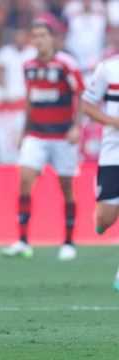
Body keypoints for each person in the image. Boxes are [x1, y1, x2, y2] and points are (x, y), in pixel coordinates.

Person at [2, 20, 84, 261]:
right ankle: (23, 240)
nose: (38, 40)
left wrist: (76, 127)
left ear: (53, 39)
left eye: (42, 35)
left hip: (62, 136)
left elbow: (80, 95)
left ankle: (69, 241)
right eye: (35, 36)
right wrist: (24, 131)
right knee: (25, 180)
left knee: (66, 187)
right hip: (36, 134)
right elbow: (30, 98)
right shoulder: (28, 66)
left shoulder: (67, 65)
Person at [80, 53, 119, 291]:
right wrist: (112, 121)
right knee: (105, 220)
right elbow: (87, 104)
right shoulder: (108, 68)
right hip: (113, 151)